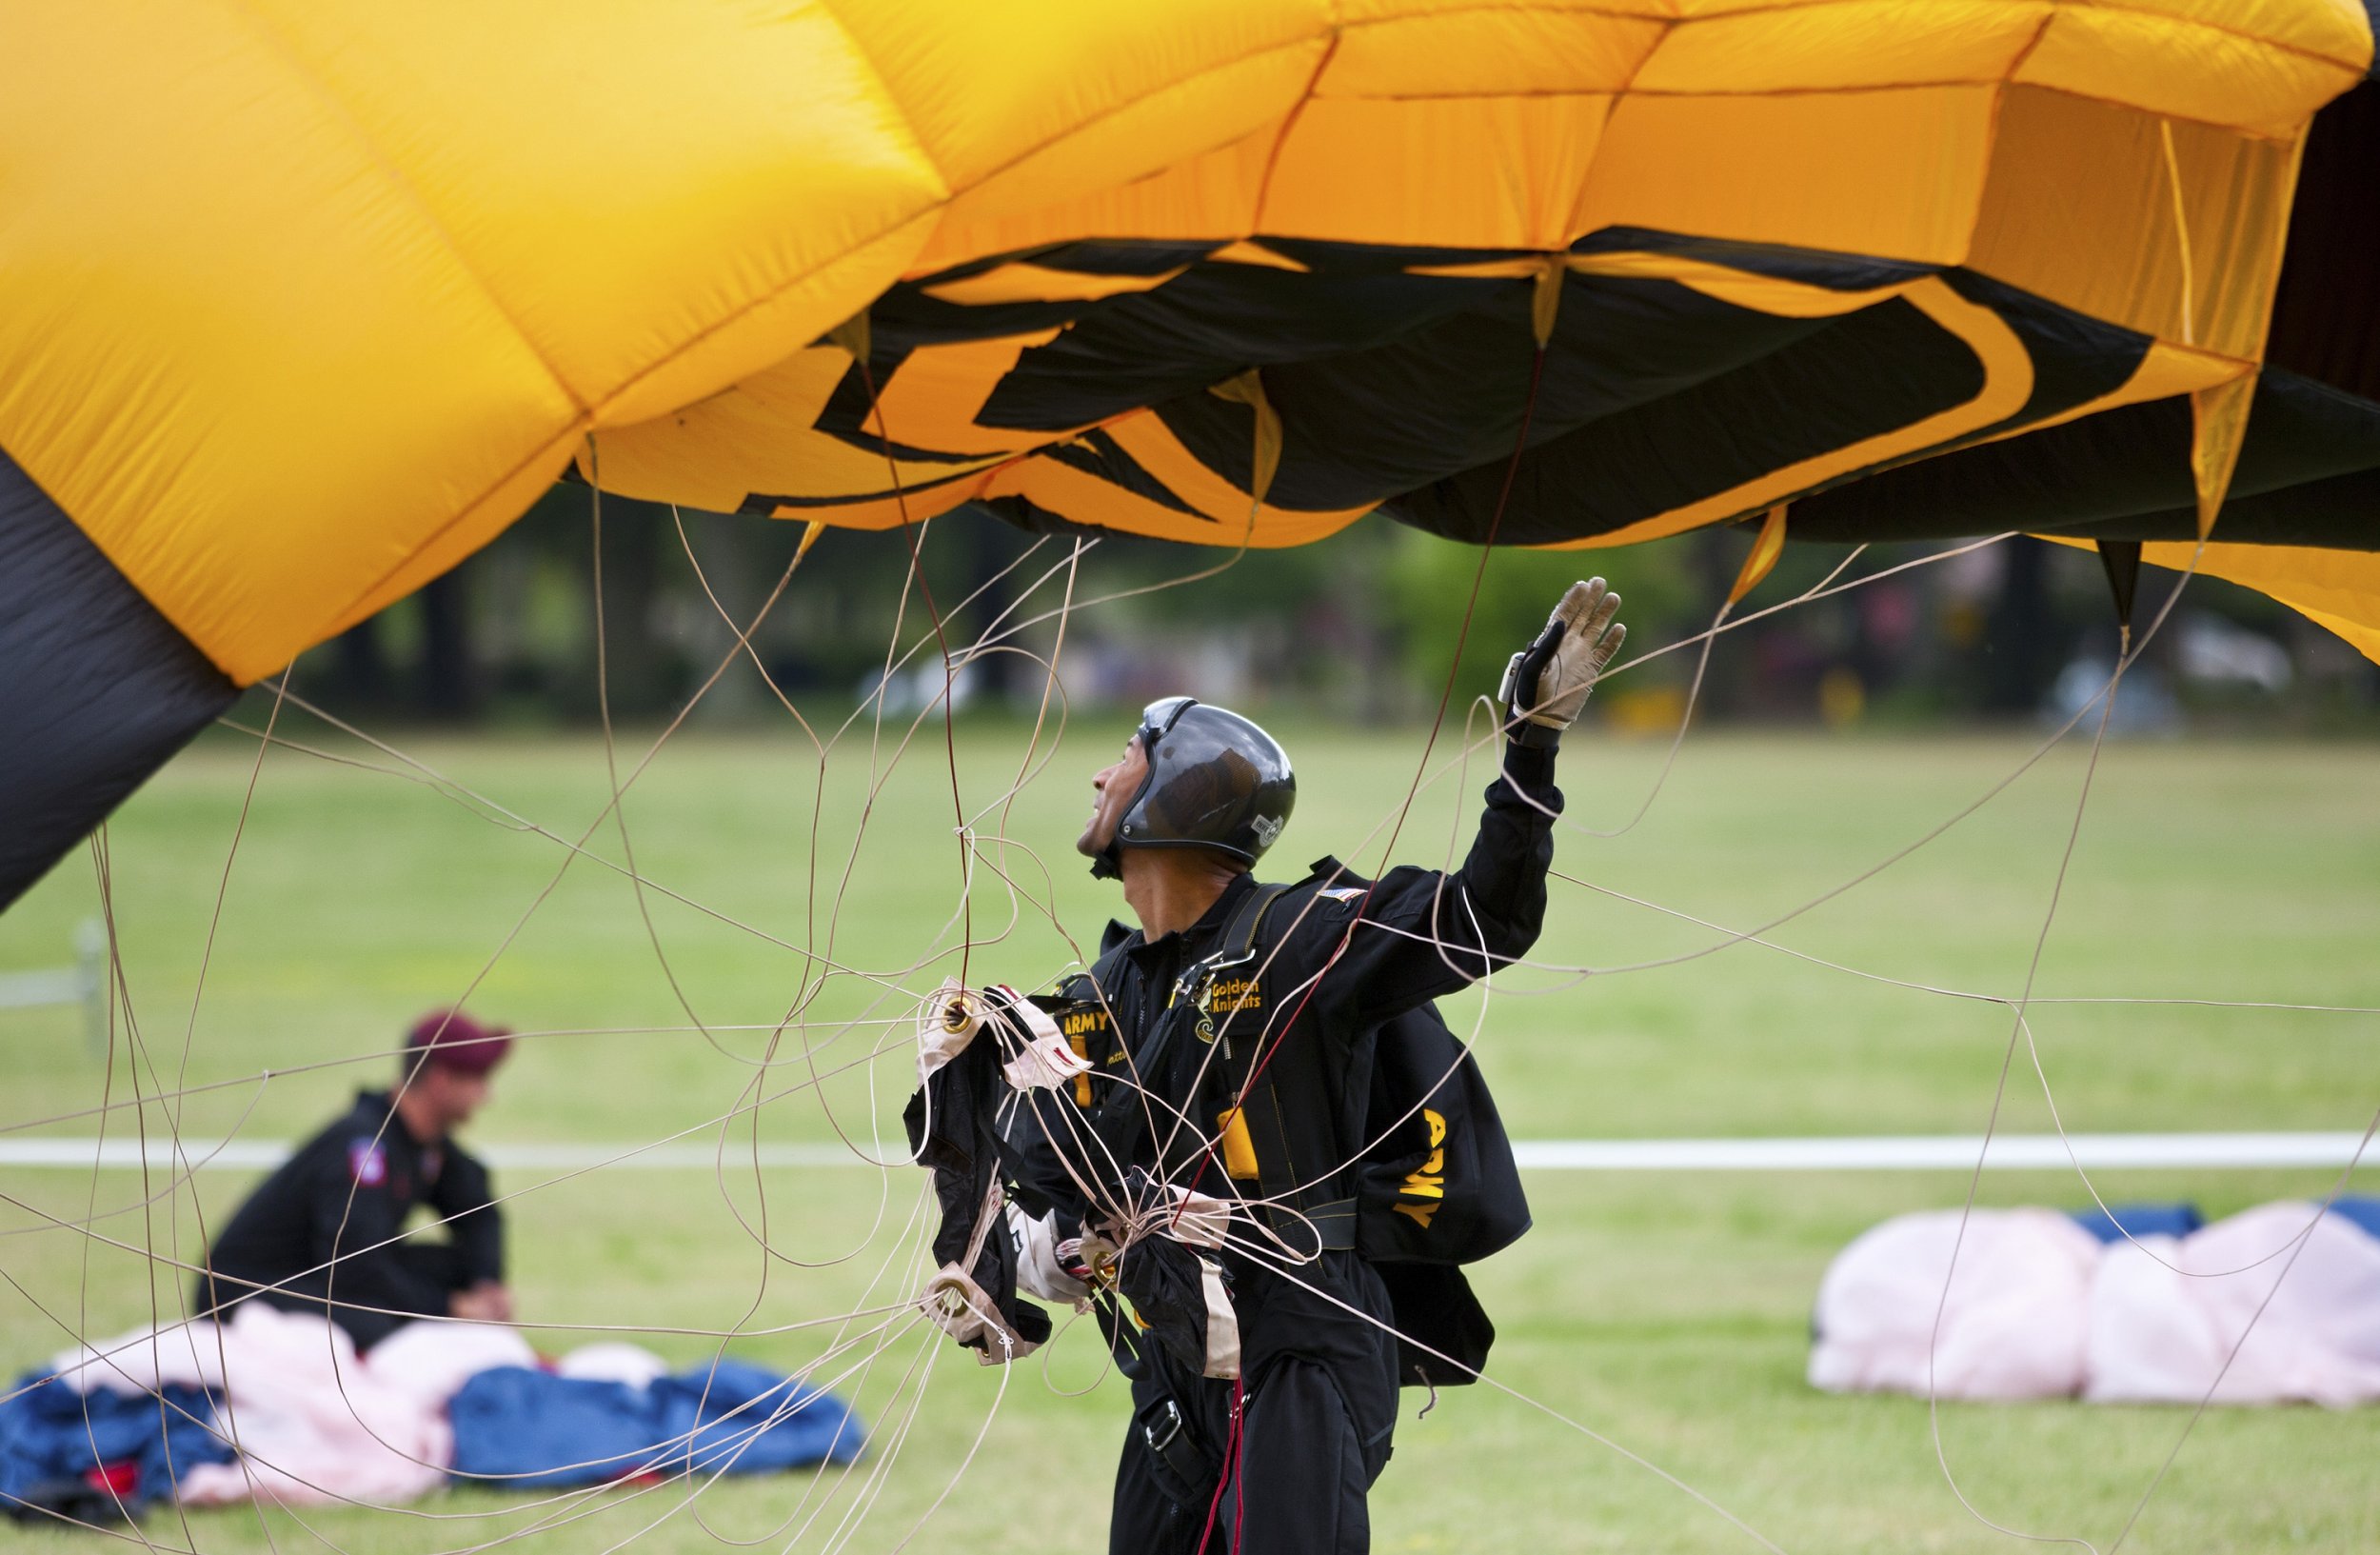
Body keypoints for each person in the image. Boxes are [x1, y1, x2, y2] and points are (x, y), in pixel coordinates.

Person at [1011, 579, 1626, 1555]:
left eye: (1123, 757)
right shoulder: (1102, 987)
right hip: (1171, 1346)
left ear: (1177, 791)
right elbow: (1044, 1168)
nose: (1096, 778)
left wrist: (1531, 746)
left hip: (1304, 1335)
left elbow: (1482, 921)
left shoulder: (1304, 935)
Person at [193, 1009, 514, 1349]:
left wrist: (485, 1283)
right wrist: (450, 1307)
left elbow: (479, 1210)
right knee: (378, 1327)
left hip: (320, 1276)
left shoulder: (420, 1139)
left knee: (453, 1268)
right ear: (440, 1081)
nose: (486, 1096)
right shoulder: (365, 1148)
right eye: (479, 1081)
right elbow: (353, 1270)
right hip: (245, 1291)